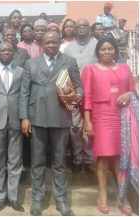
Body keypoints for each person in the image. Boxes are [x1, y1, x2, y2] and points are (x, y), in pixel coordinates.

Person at [19, 31, 83, 216]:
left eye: (55, 42)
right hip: (37, 117)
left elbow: (78, 86)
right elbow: (24, 92)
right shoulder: (31, 63)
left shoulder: (69, 62)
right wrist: (24, 117)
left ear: (59, 43)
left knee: (59, 161)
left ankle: (61, 199)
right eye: (48, 42)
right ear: (42, 44)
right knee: (37, 161)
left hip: (60, 117)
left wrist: (76, 95)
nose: (51, 45)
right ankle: (38, 199)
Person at [82, 36, 135, 215]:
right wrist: (87, 121)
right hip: (101, 117)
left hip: (122, 117)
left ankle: (122, 196)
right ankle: (103, 194)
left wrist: (128, 94)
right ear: (97, 52)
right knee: (103, 157)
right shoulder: (90, 69)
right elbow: (86, 97)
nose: (107, 52)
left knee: (121, 158)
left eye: (110, 49)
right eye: (103, 49)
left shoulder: (125, 69)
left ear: (115, 51)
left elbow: (134, 91)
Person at [0, 41, 25, 212]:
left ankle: (13, 196)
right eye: (3, 50)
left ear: (14, 53)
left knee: (15, 161)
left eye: (10, 50)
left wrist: (24, 118)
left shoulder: (21, 72)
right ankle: (0, 195)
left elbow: (24, 96)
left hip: (16, 120)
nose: (6, 53)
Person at [64, 19, 97, 173]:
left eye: (85, 25)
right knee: (75, 128)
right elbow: (64, 72)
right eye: (79, 26)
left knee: (90, 127)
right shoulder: (69, 49)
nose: (81, 27)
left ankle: (89, 159)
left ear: (89, 28)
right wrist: (70, 94)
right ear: (75, 30)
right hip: (75, 93)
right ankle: (77, 158)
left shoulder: (97, 45)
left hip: (94, 93)